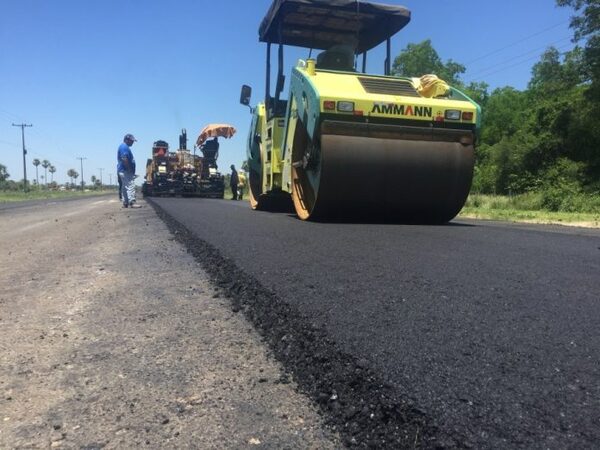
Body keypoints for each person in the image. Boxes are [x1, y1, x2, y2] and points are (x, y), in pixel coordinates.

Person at [117, 133, 140, 208]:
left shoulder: (124, 147)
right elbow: (124, 158)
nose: (133, 142)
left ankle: (125, 202)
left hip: (122, 170)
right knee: (130, 185)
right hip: (125, 170)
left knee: (124, 186)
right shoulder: (124, 147)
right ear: (126, 140)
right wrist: (129, 168)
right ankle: (132, 202)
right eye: (131, 141)